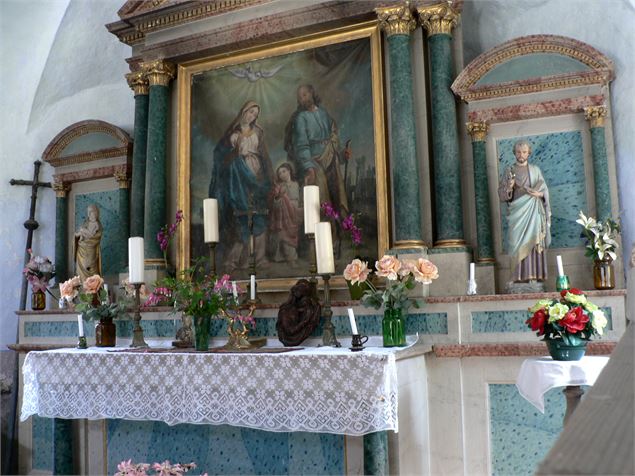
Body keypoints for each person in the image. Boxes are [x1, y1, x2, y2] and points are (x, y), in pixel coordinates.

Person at [209, 100, 273, 274]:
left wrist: (268, 179)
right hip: (238, 176)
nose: (252, 116)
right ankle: (235, 260)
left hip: (256, 173)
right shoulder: (232, 133)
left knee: (258, 214)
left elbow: (264, 156)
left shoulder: (258, 132)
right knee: (242, 217)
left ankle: (259, 259)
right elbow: (220, 155)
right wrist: (234, 156)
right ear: (244, 111)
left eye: (255, 114)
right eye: (250, 112)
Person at [284, 84, 351, 217]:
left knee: (336, 194)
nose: (303, 99)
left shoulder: (323, 113)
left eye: (305, 94)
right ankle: (328, 229)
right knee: (323, 198)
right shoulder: (301, 118)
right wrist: (309, 167)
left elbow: (333, 136)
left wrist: (343, 154)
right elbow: (301, 145)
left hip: (331, 158)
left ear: (312, 93)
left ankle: (341, 230)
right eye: (300, 97)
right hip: (315, 162)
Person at [498, 140, 551, 283]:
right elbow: (502, 195)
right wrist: (509, 187)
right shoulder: (509, 170)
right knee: (516, 243)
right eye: (518, 152)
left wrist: (538, 194)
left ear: (529, 153)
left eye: (524, 152)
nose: (521, 155)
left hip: (533, 211)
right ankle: (517, 277)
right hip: (517, 212)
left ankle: (533, 275)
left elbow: (544, 191)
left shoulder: (535, 170)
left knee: (533, 241)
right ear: (514, 153)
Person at [269, 162, 301, 265]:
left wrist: (290, 203)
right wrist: (278, 197)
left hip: (293, 212)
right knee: (283, 236)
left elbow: (297, 200)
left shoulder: (295, 185)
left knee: (291, 235)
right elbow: (275, 202)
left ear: (289, 171)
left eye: (284, 171)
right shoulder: (279, 187)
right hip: (283, 215)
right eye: (279, 173)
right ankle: (288, 258)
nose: (282, 174)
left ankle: (292, 258)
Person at [74, 204, 102, 280]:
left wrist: (85, 233)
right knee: (81, 230)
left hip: (91, 249)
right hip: (81, 249)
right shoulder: (85, 223)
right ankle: (82, 286)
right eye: (89, 212)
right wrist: (78, 236)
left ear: (96, 213)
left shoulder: (97, 224)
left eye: (92, 212)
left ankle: (94, 286)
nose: (90, 214)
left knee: (89, 265)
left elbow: (94, 236)